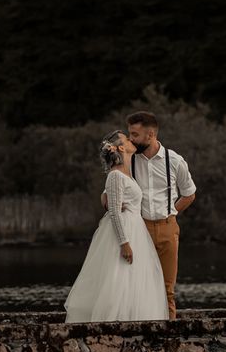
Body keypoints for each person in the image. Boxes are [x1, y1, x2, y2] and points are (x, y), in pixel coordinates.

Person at [64, 130, 169, 323]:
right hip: (125, 232)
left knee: (134, 279)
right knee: (119, 277)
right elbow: (113, 210)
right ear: (121, 147)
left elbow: (113, 197)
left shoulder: (125, 173)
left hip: (136, 229)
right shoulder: (115, 176)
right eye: (127, 139)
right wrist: (124, 243)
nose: (131, 140)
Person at [101, 111, 196, 320]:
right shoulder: (129, 159)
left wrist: (170, 213)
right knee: (138, 286)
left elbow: (189, 194)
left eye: (135, 134)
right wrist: (112, 201)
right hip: (140, 230)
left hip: (168, 229)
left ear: (150, 134)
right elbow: (109, 192)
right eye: (130, 134)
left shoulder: (175, 160)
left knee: (167, 289)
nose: (131, 138)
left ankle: (169, 337)